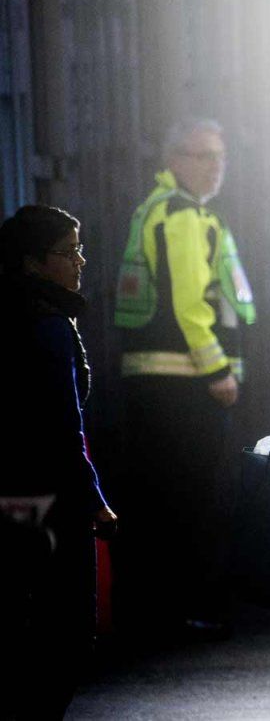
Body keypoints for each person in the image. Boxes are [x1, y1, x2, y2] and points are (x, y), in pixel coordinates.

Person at [112, 117, 255, 638]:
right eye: (202, 156)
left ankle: (163, 611)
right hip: (184, 383)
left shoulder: (161, 208)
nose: (215, 167)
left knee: (164, 497)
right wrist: (217, 369)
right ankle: (179, 612)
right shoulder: (184, 215)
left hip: (160, 383)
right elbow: (189, 303)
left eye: (220, 156)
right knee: (189, 500)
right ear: (174, 160)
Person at [0, 205, 118, 718]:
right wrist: (95, 501)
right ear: (33, 262)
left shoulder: (12, 312)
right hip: (52, 497)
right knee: (66, 634)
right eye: (69, 252)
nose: (80, 261)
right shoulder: (48, 325)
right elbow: (62, 426)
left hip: (13, 494)